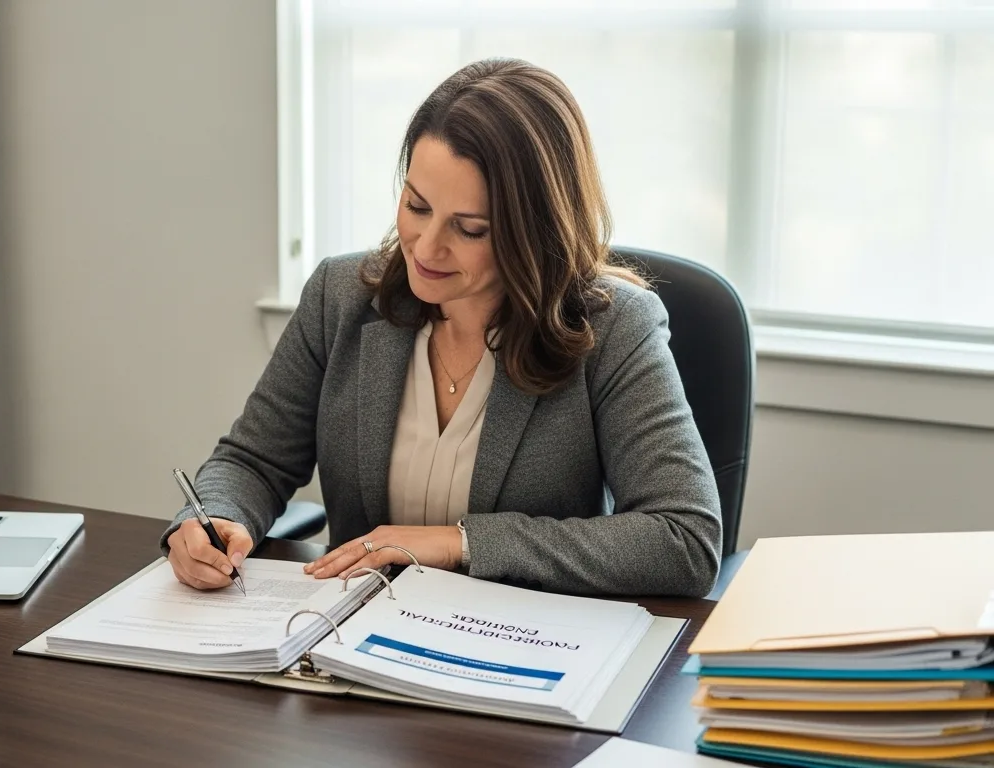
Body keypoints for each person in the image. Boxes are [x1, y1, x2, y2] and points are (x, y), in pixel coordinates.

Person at [161, 58, 722, 598]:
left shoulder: (615, 328)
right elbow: (253, 462)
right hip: (350, 633)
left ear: (536, 230)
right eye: (417, 206)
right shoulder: (340, 297)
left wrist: (459, 544)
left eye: (470, 228)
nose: (426, 249)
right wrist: (214, 517)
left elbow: (684, 538)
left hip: (515, 642)